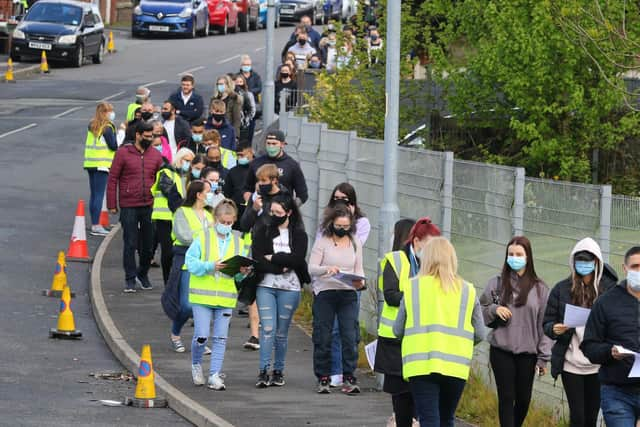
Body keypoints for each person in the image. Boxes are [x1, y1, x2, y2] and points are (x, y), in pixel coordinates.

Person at [393, 237, 486, 427]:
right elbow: (480, 333)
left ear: (426, 259)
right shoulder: (467, 290)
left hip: (421, 364)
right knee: (447, 418)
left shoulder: (412, 287)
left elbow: (397, 329)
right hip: (456, 365)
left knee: (428, 419)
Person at [542, 237, 618, 427]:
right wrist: (554, 329)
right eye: (580, 261)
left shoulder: (608, 291)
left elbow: (617, 323)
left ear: (597, 262)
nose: (583, 265)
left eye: (588, 261)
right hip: (571, 364)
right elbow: (547, 323)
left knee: (591, 418)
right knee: (578, 417)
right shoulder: (561, 290)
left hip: (598, 365)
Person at [479, 236, 553, 427]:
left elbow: (544, 325)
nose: (514, 257)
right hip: (501, 349)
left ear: (528, 257)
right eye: (510, 254)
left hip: (527, 353)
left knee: (523, 399)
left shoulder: (540, 289)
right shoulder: (495, 283)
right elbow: (481, 310)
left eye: (519, 254)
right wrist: (495, 310)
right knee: (506, 396)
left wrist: (543, 357)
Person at [375, 217, 441, 427]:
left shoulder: (434, 265)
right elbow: (391, 295)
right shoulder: (395, 260)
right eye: (429, 244)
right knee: (401, 392)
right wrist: (417, 297)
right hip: (395, 337)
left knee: (418, 389)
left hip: (421, 336)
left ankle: (413, 421)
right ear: (416, 241)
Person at [186, 199, 251, 390]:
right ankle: (196, 364)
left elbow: (237, 277)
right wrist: (209, 266)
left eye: (230, 223)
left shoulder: (239, 243)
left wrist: (243, 272)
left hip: (225, 297)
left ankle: (214, 374)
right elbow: (190, 263)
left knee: (221, 338)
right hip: (202, 297)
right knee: (202, 335)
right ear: (216, 219)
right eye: (223, 222)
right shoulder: (203, 238)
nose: (227, 226)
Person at [252, 193, 310, 388]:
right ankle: (263, 370)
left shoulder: (299, 234)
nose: (274, 215)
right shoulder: (263, 230)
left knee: (281, 332)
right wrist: (281, 265)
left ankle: (278, 370)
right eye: (272, 211)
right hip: (266, 285)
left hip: (290, 287)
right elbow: (258, 258)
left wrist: (274, 257)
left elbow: (298, 259)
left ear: (289, 212)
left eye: (279, 212)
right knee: (267, 329)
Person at [317, 183, 371, 388]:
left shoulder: (361, 223)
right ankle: (331, 371)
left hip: (349, 283)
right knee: (328, 330)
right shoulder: (326, 223)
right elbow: (320, 250)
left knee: (346, 330)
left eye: (344, 200)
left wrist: (348, 220)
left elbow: (353, 248)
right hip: (328, 281)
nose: (339, 202)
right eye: (336, 199)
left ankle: (343, 372)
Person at [309, 204, 366, 394]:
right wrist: (327, 269)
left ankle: (349, 376)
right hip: (325, 291)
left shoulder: (355, 242)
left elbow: (359, 269)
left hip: (347, 292)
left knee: (349, 335)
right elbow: (312, 268)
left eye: (346, 227)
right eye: (339, 226)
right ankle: (323, 376)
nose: (342, 230)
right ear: (331, 223)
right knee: (323, 335)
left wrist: (360, 282)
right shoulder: (323, 241)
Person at [582, 246, 640, 427]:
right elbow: (589, 345)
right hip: (617, 392)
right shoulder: (606, 302)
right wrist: (610, 352)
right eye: (635, 266)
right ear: (625, 268)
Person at [107, 121, 164, 292]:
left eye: (151, 136)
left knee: (148, 245)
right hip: (129, 204)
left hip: (149, 205)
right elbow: (113, 178)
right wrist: (112, 204)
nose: (149, 139)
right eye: (146, 136)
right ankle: (130, 278)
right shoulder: (123, 153)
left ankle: (143, 273)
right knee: (130, 243)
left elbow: (161, 178)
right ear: (137, 135)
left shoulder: (155, 155)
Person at [163, 180, 213, 353]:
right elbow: (184, 236)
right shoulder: (182, 212)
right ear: (198, 194)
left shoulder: (210, 214)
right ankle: (175, 333)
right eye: (208, 191)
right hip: (186, 262)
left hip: (206, 264)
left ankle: (200, 340)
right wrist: (206, 236)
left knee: (203, 305)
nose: (210, 194)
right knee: (186, 305)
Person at [150, 125, 185, 285]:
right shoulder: (166, 172)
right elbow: (169, 192)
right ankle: (167, 282)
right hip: (165, 218)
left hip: (177, 218)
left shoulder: (183, 176)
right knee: (168, 252)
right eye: (186, 160)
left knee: (173, 252)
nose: (187, 164)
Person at [243, 130, 308, 206]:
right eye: (268, 143)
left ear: (282, 144)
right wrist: (252, 203)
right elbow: (247, 189)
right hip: (259, 212)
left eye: (274, 143)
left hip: (281, 212)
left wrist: (289, 209)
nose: (271, 146)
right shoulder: (256, 163)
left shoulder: (292, 165)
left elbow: (302, 195)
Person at [83, 102, 118, 237]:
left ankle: (94, 223)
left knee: (94, 195)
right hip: (102, 164)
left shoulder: (92, 124)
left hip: (91, 163)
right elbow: (114, 146)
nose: (112, 113)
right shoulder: (107, 127)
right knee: (98, 195)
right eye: (110, 111)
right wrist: (120, 134)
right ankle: (96, 226)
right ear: (105, 112)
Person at [240, 163, 289, 232]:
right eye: (258, 180)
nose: (260, 183)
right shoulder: (256, 196)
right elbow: (244, 226)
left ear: (274, 180)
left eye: (263, 180)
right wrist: (254, 209)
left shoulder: (285, 198)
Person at [223, 144, 254, 224]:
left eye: (242, 155)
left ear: (250, 153)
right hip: (236, 208)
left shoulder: (259, 169)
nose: (240, 157)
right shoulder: (233, 171)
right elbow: (227, 193)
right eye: (238, 155)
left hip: (253, 209)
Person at [233, 74, 256, 146]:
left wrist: (246, 120)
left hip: (244, 124)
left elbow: (252, 109)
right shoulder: (232, 95)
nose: (239, 84)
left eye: (241, 82)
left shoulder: (247, 94)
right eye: (237, 82)